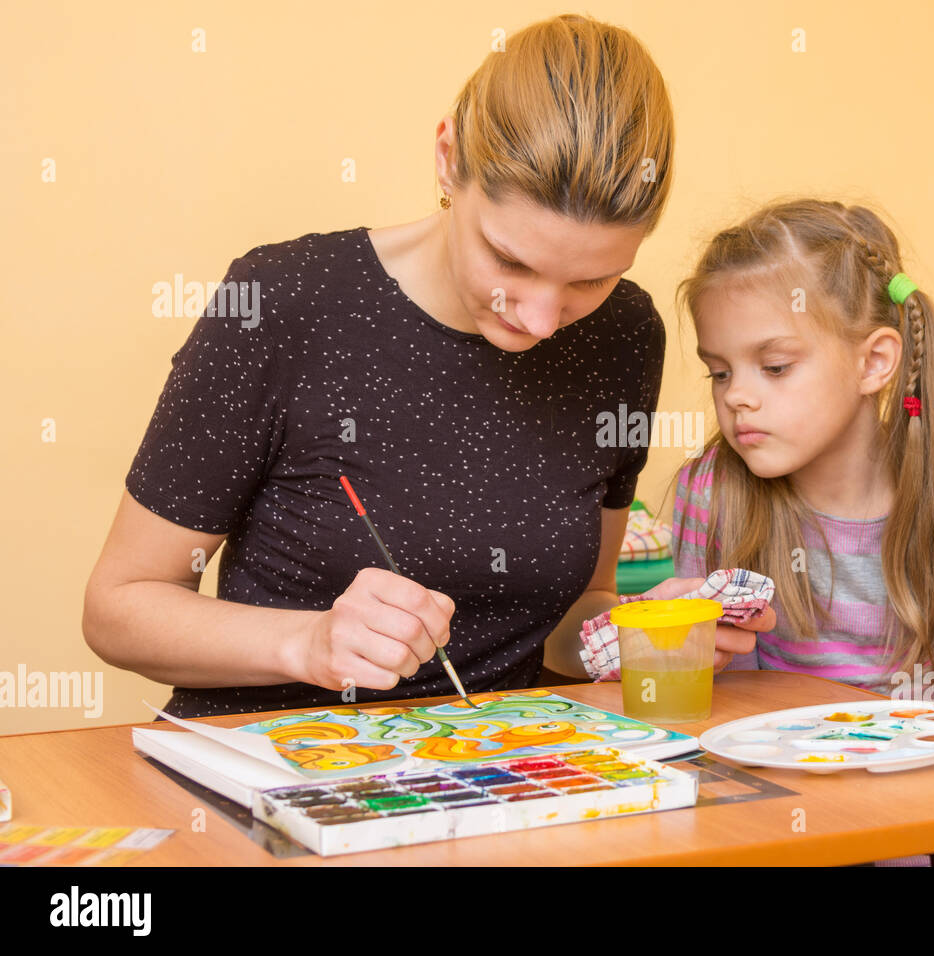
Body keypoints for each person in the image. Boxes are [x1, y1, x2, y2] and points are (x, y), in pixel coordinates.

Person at [82, 13, 759, 719]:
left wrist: (630, 634)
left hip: (501, 769)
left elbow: (567, 621)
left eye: (590, 280)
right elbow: (118, 609)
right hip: (273, 769)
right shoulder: (282, 302)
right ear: (447, 158)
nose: (539, 318)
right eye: (510, 261)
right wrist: (309, 643)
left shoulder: (623, 333)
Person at [661, 198, 934, 866]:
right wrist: (667, 647)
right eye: (719, 371)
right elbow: (706, 731)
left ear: (874, 363)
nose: (736, 397)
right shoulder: (713, 494)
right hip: (784, 829)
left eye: (774, 367)